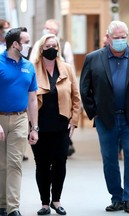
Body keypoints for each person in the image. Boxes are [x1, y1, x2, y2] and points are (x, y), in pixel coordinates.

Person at [80, 20, 129, 213]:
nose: (121, 40)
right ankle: (116, 197)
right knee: (109, 159)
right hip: (106, 119)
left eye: (124, 37)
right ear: (108, 37)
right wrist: (94, 113)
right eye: (117, 37)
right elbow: (85, 89)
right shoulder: (93, 58)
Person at [30, 33, 80, 216]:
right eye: (49, 46)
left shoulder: (66, 68)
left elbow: (76, 96)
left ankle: (56, 200)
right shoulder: (32, 68)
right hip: (39, 126)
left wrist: (74, 121)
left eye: (55, 45)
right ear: (42, 48)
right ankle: (44, 203)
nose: (53, 49)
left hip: (61, 126)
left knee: (60, 163)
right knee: (42, 164)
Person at [0, 27, 38, 216]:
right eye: (26, 41)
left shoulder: (29, 66)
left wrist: (34, 127)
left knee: (14, 163)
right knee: (1, 164)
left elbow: (32, 99)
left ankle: (13, 206)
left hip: (20, 119)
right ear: (15, 44)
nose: (29, 45)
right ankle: (1, 204)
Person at [30, 19, 77, 156]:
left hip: (61, 96)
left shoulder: (65, 46)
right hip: (41, 114)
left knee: (59, 161)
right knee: (42, 161)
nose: (45, 30)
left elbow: (71, 67)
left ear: (56, 31)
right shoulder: (37, 46)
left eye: (48, 28)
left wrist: (74, 118)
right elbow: (32, 63)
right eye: (45, 28)